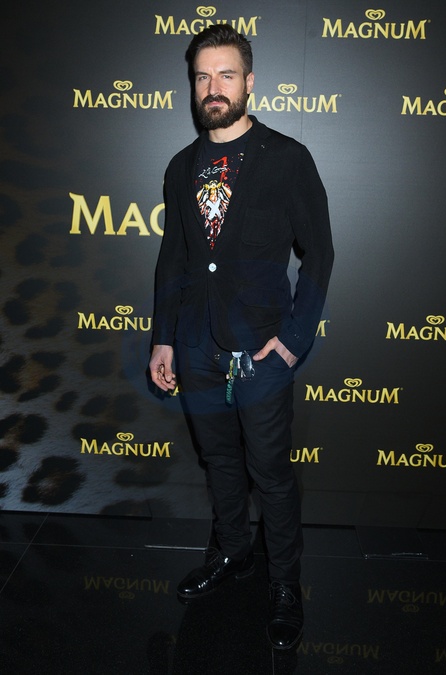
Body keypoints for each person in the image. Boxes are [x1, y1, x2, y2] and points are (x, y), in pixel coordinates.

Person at [149, 24, 333, 650]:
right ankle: (233, 552)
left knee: (272, 473)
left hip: (262, 350)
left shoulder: (287, 158)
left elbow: (320, 253)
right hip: (196, 347)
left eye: (226, 74)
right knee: (220, 461)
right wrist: (164, 338)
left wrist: (293, 340)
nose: (213, 87)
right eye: (202, 76)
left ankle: (284, 583)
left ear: (249, 82)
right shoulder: (181, 166)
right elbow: (174, 257)